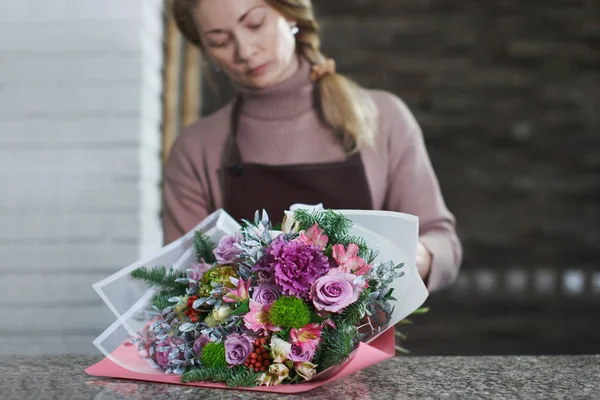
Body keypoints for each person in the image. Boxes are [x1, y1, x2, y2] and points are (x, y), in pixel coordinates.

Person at [163, 0, 462, 293]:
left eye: (255, 24)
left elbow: (443, 242)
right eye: (219, 41)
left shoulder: (383, 117)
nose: (245, 51)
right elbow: (181, 287)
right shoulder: (196, 149)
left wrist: (411, 258)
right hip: (249, 344)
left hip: (372, 341)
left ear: (291, 15)